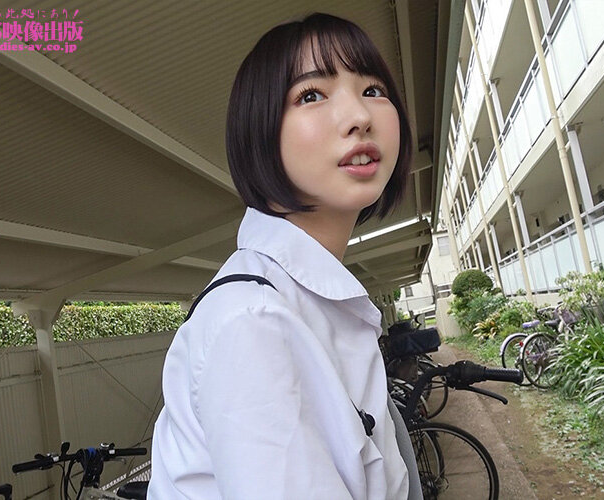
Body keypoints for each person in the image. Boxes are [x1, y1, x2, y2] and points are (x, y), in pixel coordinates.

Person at [148, 12, 421, 499]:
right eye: (311, 95)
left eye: (373, 89)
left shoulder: (302, 300)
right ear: (259, 131)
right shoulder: (254, 322)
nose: (359, 116)